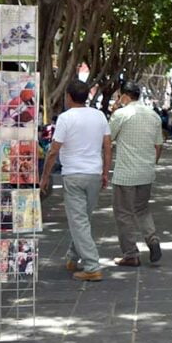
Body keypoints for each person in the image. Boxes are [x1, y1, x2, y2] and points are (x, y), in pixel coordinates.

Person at [39, 81, 112, 281]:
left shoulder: (65, 118)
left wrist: (45, 176)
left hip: (73, 175)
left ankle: (92, 266)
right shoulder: (99, 116)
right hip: (94, 175)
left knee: (79, 220)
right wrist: (105, 172)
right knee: (82, 219)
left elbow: (54, 150)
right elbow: (107, 146)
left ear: (69, 96)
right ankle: (73, 256)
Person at [109, 82, 164, 267]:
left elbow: (109, 137)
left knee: (123, 213)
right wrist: (150, 164)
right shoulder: (154, 116)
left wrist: (114, 111)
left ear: (125, 95)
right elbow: (158, 146)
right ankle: (152, 239)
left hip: (125, 173)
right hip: (146, 172)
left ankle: (131, 254)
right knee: (142, 209)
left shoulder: (121, 114)